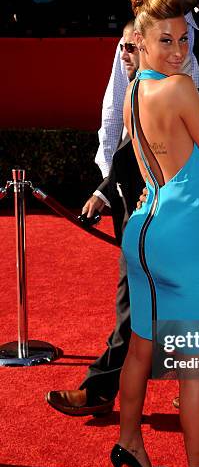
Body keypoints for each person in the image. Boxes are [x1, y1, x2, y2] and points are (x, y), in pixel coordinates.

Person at [46, 0, 199, 417]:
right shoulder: (136, 38)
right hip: (156, 194)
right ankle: (106, 389)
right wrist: (109, 185)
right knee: (140, 305)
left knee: (198, 300)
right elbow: (116, 117)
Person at [113, 0, 199, 467]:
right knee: (195, 367)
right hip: (186, 240)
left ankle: (130, 442)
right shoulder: (182, 89)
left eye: (184, 39)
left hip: (142, 231)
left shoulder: (137, 86)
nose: (181, 50)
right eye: (166, 40)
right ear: (140, 41)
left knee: (141, 345)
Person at [46, 20, 142, 417]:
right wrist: (106, 191)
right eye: (121, 46)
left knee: (135, 310)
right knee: (139, 310)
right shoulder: (135, 88)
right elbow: (120, 146)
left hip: (159, 221)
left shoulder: (167, 91)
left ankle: (100, 389)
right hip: (139, 216)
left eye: (131, 48)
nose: (123, 55)